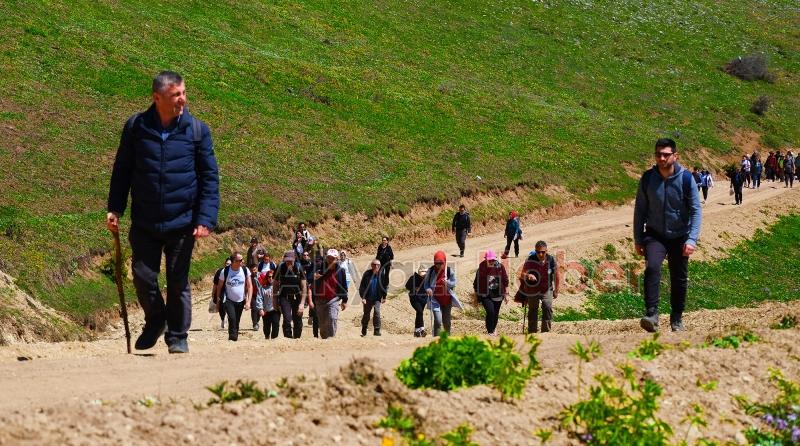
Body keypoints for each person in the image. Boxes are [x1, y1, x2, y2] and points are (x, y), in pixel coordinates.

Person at [107, 71, 219, 354]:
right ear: (157, 98)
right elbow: (122, 170)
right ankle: (156, 320)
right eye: (175, 95)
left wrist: (205, 219)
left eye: (183, 93)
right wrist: (115, 208)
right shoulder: (136, 127)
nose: (182, 99)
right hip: (145, 220)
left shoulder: (197, 131)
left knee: (178, 280)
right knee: (142, 276)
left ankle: (178, 336)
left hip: (183, 221)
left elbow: (209, 178)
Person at [633, 138, 702, 332]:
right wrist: (638, 238)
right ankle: (652, 314)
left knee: (679, 277)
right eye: (658, 154)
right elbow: (640, 210)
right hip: (655, 234)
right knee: (652, 268)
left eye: (665, 154)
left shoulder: (686, 179)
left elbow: (696, 210)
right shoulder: (648, 178)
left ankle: (677, 318)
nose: (661, 158)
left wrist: (692, 239)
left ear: (675, 156)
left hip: (680, 236)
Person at [517, 241, 559, 333]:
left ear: (546, 251)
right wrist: (528, 275)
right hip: (533, 289)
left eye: (543, 252)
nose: (540, 254)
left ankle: (546, 331)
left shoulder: (551, 260)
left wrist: (556, 291)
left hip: (547, 289)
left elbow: (557, 276)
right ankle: (532, 332)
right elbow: (522, 274)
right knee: (533, 310)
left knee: (547, 307)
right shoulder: (530, 259)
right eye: (538, 252)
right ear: (535, 251)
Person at [213, 252, 252, 341]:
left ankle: (234, 337)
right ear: (234, 261)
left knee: (236, 320)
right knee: (232, 318)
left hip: (241, 300)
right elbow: (219, 287)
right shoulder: (225, 271)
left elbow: (250, 286)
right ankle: (232, 337)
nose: (242, 261)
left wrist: (248, 301)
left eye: (242, 259)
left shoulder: (245, 270)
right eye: (240, 260)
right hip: (229, 299)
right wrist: (218, 300)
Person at [423, 251, 462, 336]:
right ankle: (436, 338)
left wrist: (447, 283)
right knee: (438, 320)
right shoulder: (431, 271)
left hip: (447, 300)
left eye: (441, 263)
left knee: (446, 322)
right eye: (437, 263)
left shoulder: (449, 271)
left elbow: (454, 283)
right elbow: (426, 284)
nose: (439, 265)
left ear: (445, 261)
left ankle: (447, 338)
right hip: (435, 300)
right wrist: (428, 289)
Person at [312, 249, 349, 339]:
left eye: (332, 258)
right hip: (319, 299)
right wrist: (314, 277)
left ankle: (331, 338)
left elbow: (344, 286)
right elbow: (309, 279)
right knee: (322, 323)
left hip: (333, 299)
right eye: (328, 257)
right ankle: (325, 339)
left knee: (332, 318)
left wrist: (344, 300)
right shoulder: (320, 268)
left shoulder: (341, 271)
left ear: (337, 259)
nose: (330, 260)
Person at [473, 250, 509, 335]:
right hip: (485, 294)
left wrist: (506, 295)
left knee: (495, 313)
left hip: (498, 293)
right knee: (490, 312)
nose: (491, 261)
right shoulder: (481, 268)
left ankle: (493, 329)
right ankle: (490, 331)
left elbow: (505, 281)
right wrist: (475, 297)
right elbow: (476, 283)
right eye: (490, 260)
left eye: (493, 260)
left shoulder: (500, 267)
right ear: (486, 259)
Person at [273, 250, 307, 339]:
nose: (288, 263)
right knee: (287, 319)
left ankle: (297, 338)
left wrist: (302, 303)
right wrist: (274, 300)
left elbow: (304, 287)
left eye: (290, 261)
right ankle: (288, 338)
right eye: (287, 261)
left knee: (298, 319)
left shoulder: (299, 268)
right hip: (284, 296)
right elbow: (275, 285)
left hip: (297, 296)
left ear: (294, 259)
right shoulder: (280, 267)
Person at [359, 259, 389, 336]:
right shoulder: (367, 274)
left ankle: (377, 330)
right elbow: (362, 286)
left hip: (377, 298)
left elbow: (384, 286)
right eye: (374, 265)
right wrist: (363, 297)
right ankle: (364, 327)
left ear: (380, 266)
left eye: (378, 265)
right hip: (367, 298)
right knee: (366, 314)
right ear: (371, 265)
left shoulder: (382, 275)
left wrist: (384, 296)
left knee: (377, 312)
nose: (376, 266)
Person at [254, 269, 280, 339]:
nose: (271, 278)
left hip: (275, 310)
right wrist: (260, 309)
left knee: (276, 325)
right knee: (266, 326)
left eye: (272, 277)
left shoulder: (279, 287)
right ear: (267, 277)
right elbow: (259, 298)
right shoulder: (262, 288)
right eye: (269, 277)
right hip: (266, 310)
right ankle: (267, 337)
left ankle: (274, 339)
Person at [405, 265, 429, 337]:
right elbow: (407, 286)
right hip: (414, 298)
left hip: (423, 299)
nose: (423, 276)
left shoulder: (427, 279)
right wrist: (415, 288)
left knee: (419, 313)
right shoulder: (413, 278)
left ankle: (417, 331)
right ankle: (421, 329)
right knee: (419, 311)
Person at [212, 257, 232, 329]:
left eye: (230, 264)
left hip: (231, 291)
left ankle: (230, 320)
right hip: (222, 290)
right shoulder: (220, 271)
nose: (228, 265)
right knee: (221, 306)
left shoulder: (234, 272)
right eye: (227, 264)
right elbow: (215, 284)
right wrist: (213, 293)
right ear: (224, 264)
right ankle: (223, 318)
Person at [249, 265, 261, 331]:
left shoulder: (261, 276)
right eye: (252, 270)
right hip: (253, 295)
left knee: (259, 309)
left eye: (255, 270)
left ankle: (257, 321)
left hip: (260, 295)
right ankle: (255, 324)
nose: (254, 271)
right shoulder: (249, 277)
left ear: (257, 269)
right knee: (254, 309)